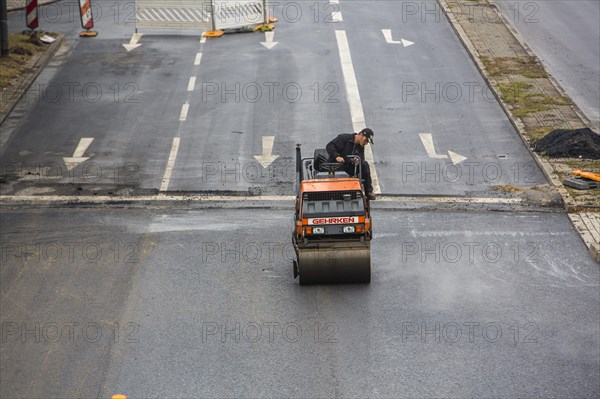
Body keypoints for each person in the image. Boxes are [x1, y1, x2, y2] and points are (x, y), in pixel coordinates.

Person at [326, 128, 376, 200]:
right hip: (336, 166)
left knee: (364, 164)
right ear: (361, 135)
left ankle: (368, 191)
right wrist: (337, 156)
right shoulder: (344, 138)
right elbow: (330, 146)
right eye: (366, 141)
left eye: (367, 142)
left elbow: (361, 158)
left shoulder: (360, 147)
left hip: (348, 167)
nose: (366, 143)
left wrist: (357, 160)